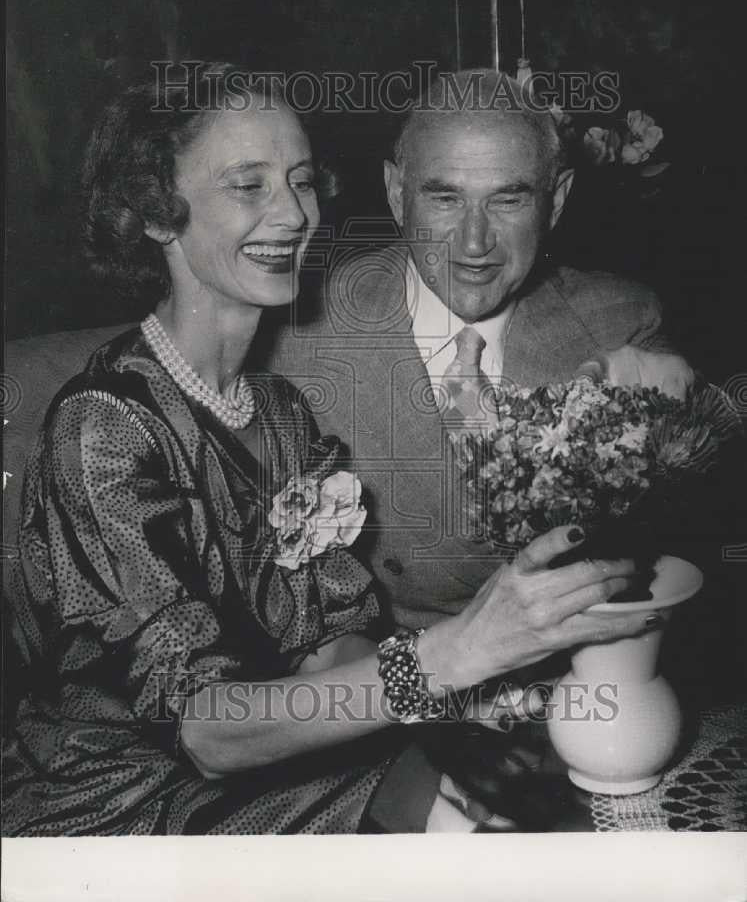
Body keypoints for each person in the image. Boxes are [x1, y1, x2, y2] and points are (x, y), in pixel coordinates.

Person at [2, 63, 656, 836]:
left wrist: (441, 719)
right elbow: (206, 731)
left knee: (536, 832)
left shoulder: (277, 410)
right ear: (155, 214)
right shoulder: (104, 427)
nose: (291, 215)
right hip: (117, 815)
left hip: (277, 773)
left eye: (302, 182)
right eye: (249, 186)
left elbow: (328, 645)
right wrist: (455, 654)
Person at [262, 69, 694, 630]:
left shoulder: (622, 323)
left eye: (508, 199)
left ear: (556, 200)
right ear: (397, 194)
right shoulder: (297, 338)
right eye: (445, 198)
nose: (474, 243)